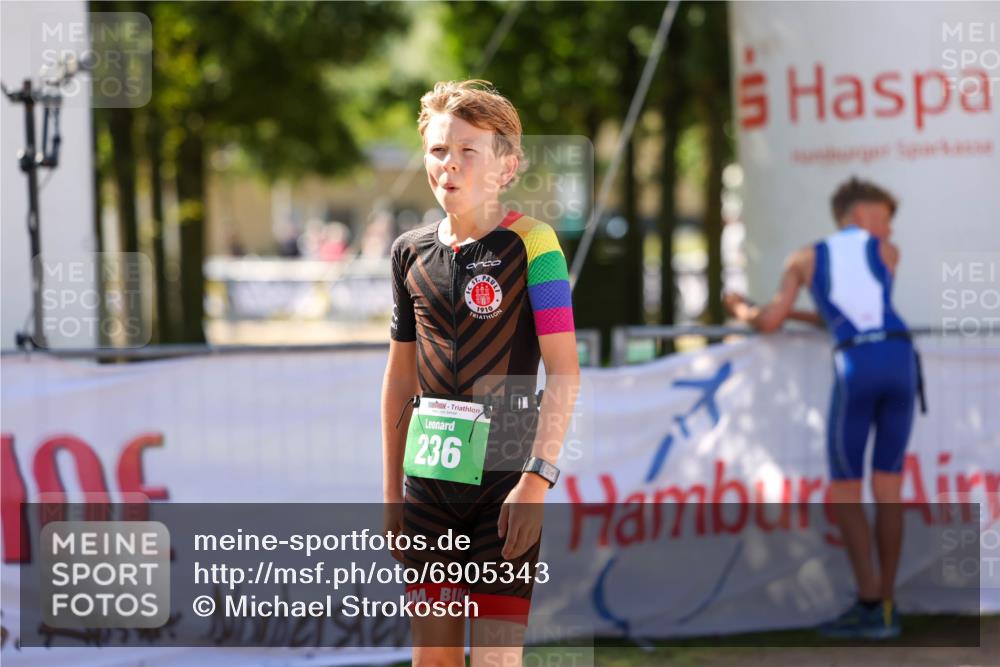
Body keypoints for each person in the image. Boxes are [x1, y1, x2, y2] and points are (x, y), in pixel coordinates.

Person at [381, 80, 580, 667]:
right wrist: (392, 492)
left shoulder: (534, 244)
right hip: (428, 489)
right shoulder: (408, 252)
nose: (450, 165)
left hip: (506, 486)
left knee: (495, 660)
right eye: (439, 150)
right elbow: (398, 381)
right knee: (434, 661)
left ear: (506, 165)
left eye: (469, 150)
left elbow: (564, 372)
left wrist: (536, 482)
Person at [725, 177, 922, 639]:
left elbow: (769, 322)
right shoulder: (888, 255)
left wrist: (741, 310)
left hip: (858, 363)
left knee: (847, 489)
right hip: (901, 357)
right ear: (857, 215)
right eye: (883, 219)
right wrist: (796, 314)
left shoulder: (804, 259)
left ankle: (870, 604)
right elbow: (861, 309)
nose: (888, 232)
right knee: (889, 486)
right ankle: (888, 607)